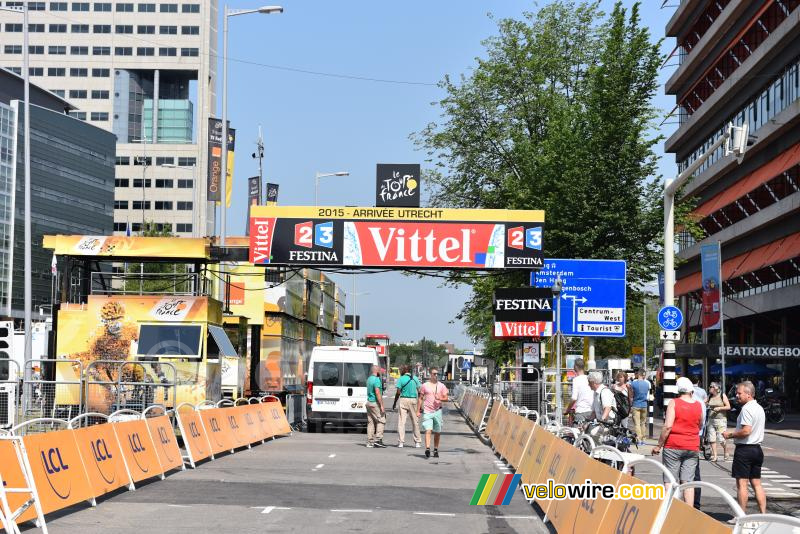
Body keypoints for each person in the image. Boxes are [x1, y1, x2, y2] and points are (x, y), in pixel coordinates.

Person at [652, 377, 703, 505]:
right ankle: (688, 511)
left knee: (670, 480)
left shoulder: (674, 403)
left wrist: (659, 445)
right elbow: (700, 424)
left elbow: (668, 426)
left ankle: (670, 509)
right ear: (691, 390)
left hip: (674, 445)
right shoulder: (698, 405)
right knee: (688, 482)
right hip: (692, 445)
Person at [723, 381, 766, 515]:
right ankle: (763, 514)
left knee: (742, 484)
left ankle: (741, 516)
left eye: (739, 393)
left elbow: (746, 431)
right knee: (757, 484)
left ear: (748, 394)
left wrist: (730, 435)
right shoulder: (759, 408)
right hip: (757, 449)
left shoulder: (747, 409)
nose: (737, 395)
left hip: (745, 450)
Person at [418, 368, 449, 458]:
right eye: (434, 374)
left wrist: (440, 398)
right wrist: (418, 410)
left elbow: (446, 398)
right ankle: (427, 448)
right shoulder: (425, 385)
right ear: (430, 374)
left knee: (437, 432)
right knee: (428, 430)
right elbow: (420, 398)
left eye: (437, 374)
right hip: (427, 411)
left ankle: (435, 449)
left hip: (437, 411)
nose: (436, 375)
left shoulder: (441, 386)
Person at [393, 365, 421, 448]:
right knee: (415, 422)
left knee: (401, 422)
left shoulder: (401, 379)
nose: (400, 370)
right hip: (413, 400)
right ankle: (417, 442)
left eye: (401, 369)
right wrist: (420, 403)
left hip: (403, 400)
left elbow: (398, 392)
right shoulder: (415, 378)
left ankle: (401, 442)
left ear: (404, 370)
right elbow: (420, 391)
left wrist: (394, 402)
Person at [707, 382, 731, 461]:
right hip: (711, 420)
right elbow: (705, 402)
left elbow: (728, 406)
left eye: (711, 386)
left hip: (721, 420)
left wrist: (720, 408)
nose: (709, 388)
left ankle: (725, 449)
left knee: (721, 439)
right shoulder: (709, 396)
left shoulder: (722, 395)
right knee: (712, 438)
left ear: (716, 388)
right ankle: (715, 456)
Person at [565, 359, 594, 425]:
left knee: (579, 434)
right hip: (592, 411)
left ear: (576, 367)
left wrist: (567, 410)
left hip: (581, 412)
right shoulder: (589, 378)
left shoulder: (576, 380)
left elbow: (574, 398)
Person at [365, 365, 386, 448]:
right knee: (381, 420)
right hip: (375, 403)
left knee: (370, 422)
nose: (380, 372)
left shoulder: (369, 379)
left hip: (369, 402)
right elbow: (377, 392)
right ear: (377, 371)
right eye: (380, 371)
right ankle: (378, 440)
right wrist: (381, 406)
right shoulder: (377, 380)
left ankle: (370, 442)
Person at [630, 369, 651, 446]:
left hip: (636, 405)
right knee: (643, 423)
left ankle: (639, 439)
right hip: (644, 405)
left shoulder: (633, 384)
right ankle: (644, 439)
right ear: (643, 375)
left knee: (637, 424)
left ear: (638, 374)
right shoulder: (647, 384)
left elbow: (631, 394)